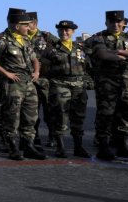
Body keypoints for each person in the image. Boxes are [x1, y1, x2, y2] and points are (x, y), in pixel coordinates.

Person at [86, 10, 128, 161]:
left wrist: (119, 52)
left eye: (118, 22)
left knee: (126, 113)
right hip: (107, 82)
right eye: (112, 22)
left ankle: (123, 146)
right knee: (106, 114)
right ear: (106, 23)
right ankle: (104, 147)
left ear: (123, 23)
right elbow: (103, 55)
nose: (115, 25)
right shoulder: (98, 38)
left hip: (127, 82)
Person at [0, 11, 45, 160]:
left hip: (28, 82)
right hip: (12, 83)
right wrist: (6, 73)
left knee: (30, 116)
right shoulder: (2, 39)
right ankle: (12, 147)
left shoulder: (25, 40)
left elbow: (34, 58)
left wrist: (36, 71)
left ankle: (28, 145)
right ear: (17, 26)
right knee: (11, 116)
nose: (28, 27)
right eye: (25, 25)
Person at [39, 20, 91, 158]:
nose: (64, 32)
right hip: (60, 84)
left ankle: (78, 147)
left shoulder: (79, 48)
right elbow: (43, 69)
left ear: (73, 32)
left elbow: (88, 66)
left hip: (79, 86)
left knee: (78, 117)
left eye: (67, 30)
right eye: (61, 30)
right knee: (60, 116)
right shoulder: (51, 49)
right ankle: (60, 147)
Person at [26, 12, 60, 147]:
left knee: (49, 110)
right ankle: (34, 136)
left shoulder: (46, 37)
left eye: (27, 24)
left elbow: (61, 51)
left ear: (34, 24)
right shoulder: (20, 38)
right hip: (29, 79)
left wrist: (46, 63)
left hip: (45, 80)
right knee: (31, 111)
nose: (24, 26)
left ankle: (52, 136)